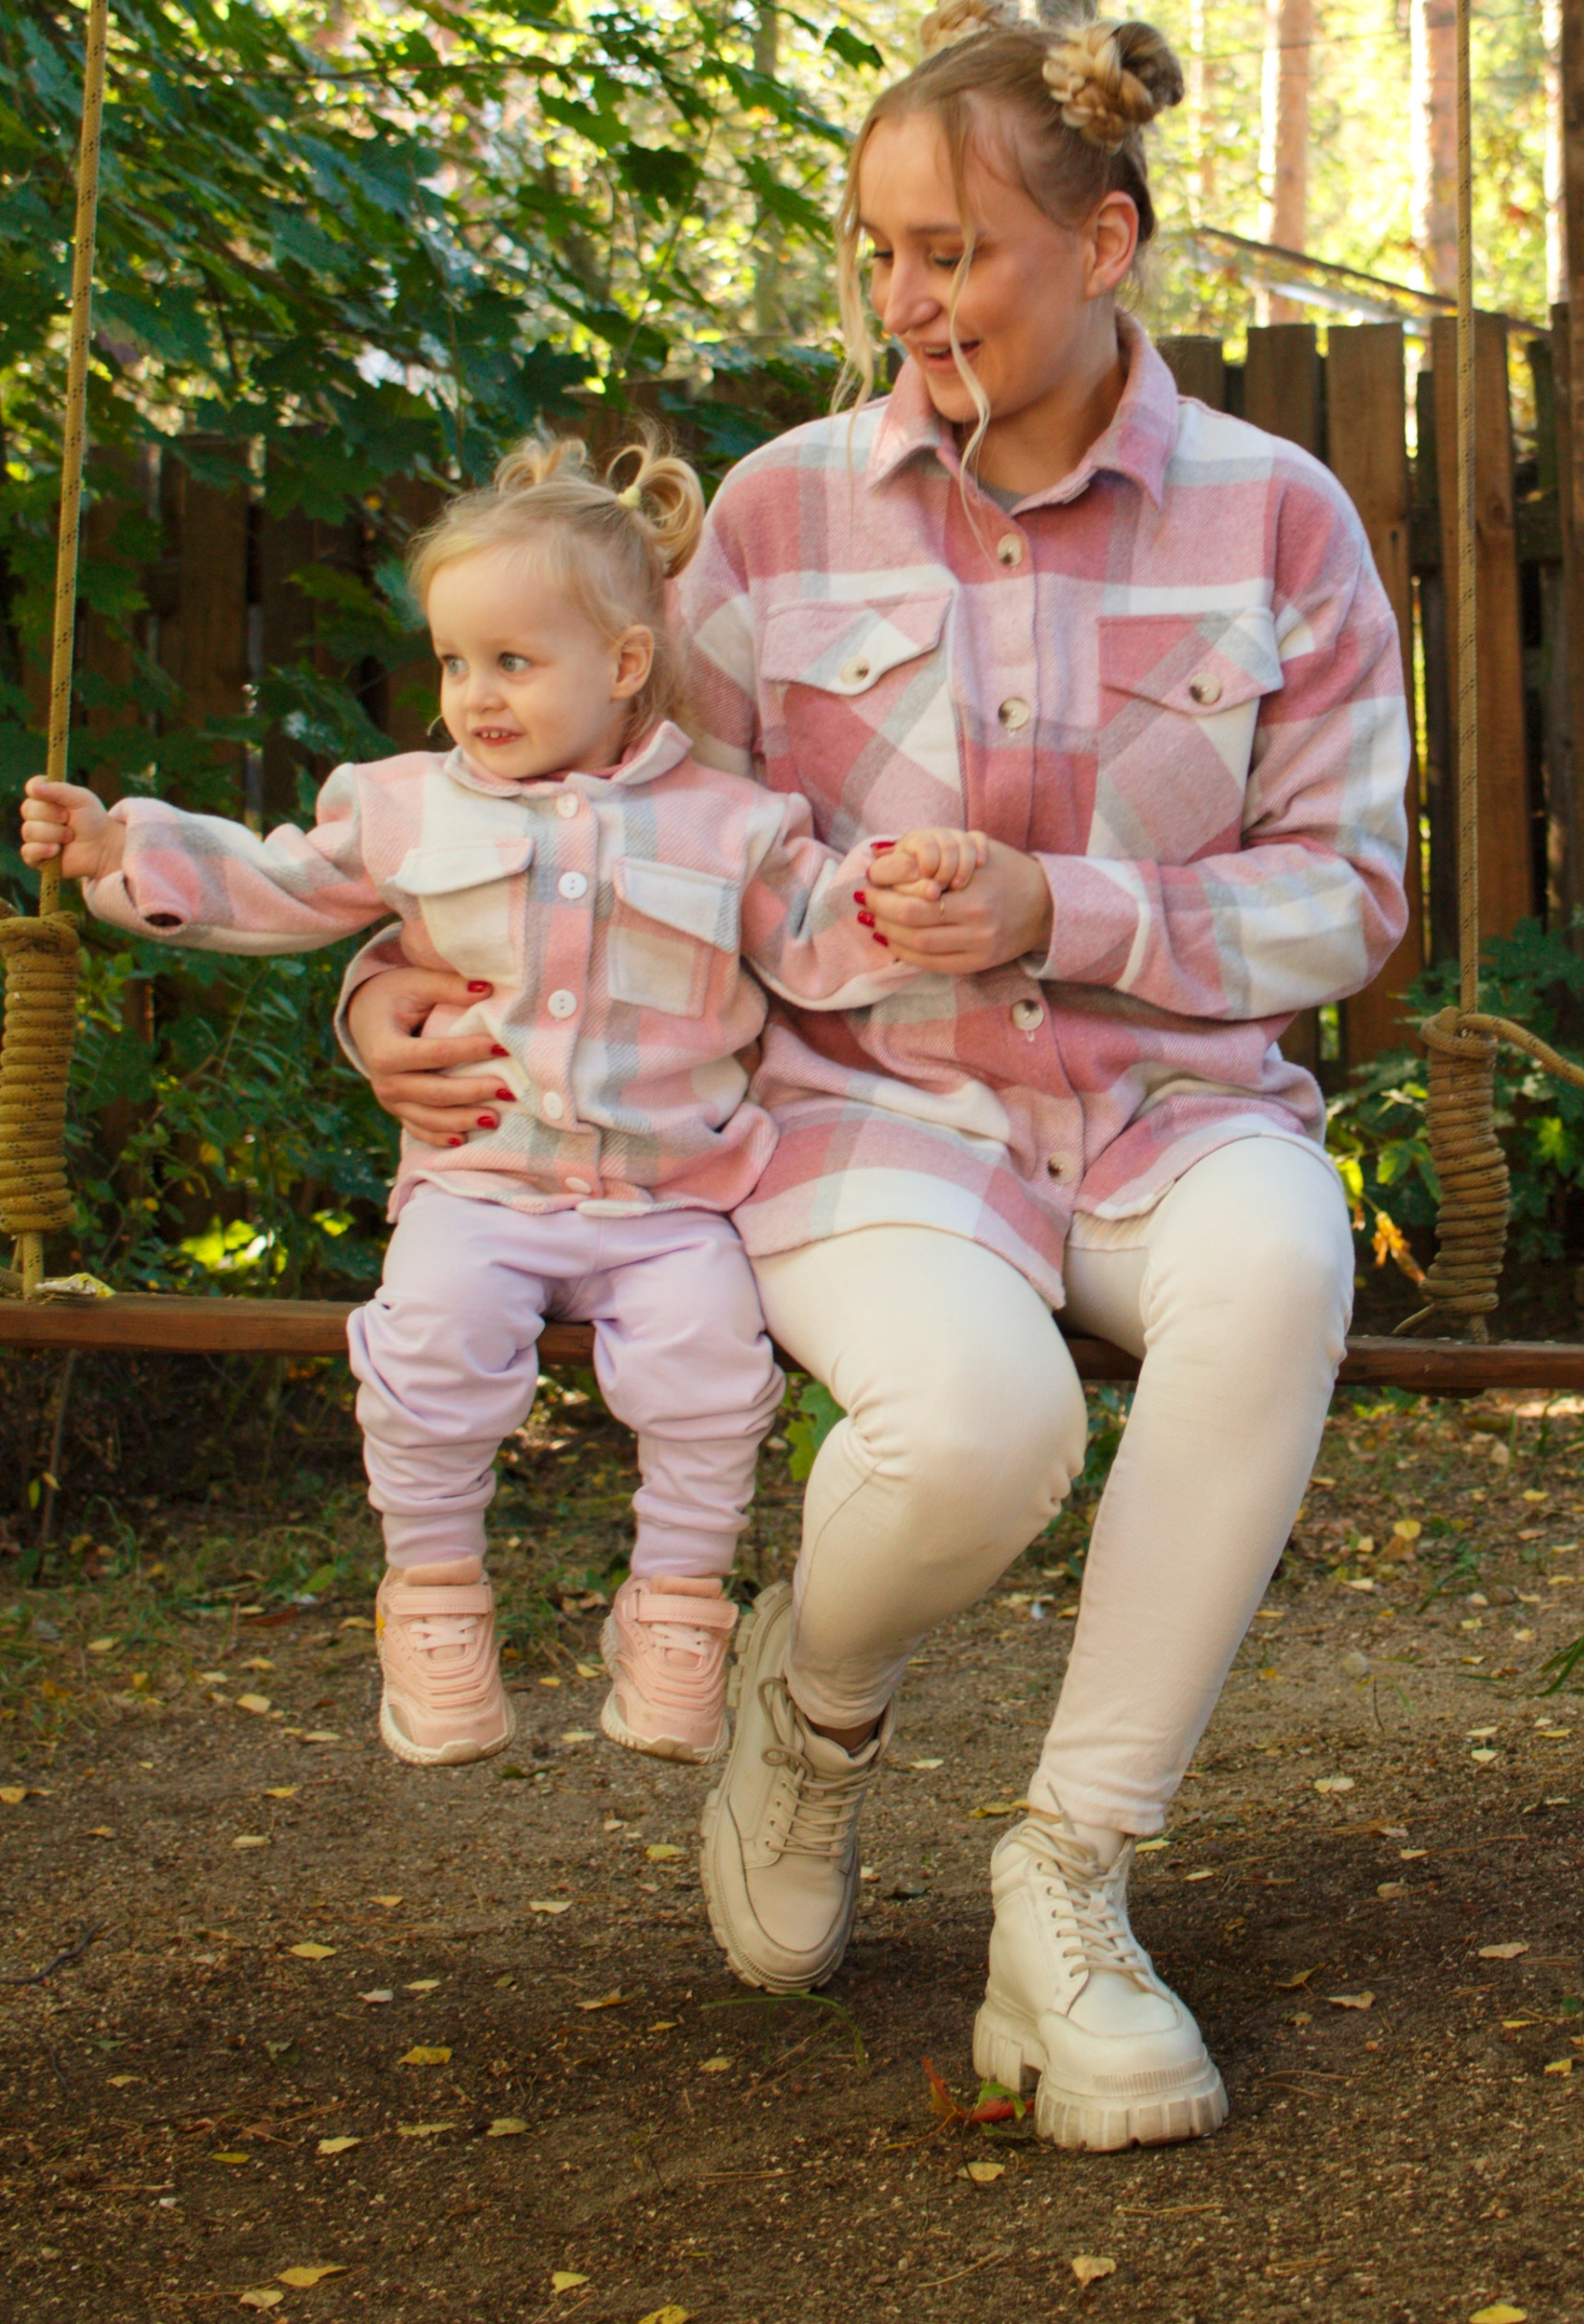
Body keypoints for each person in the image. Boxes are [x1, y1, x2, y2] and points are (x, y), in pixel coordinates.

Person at [342, 0, 1411, 2152]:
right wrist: (386, 997)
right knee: (984, 1425)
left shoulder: (1274, 519)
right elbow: (589, 825)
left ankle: (1069, 1885)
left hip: (1170, 1104)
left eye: (955, 252)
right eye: (877, 251)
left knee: (1282, 1271)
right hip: (861, 1110)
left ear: (1101, 246)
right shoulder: (775, 512)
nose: (905, 301)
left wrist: (1067, 911)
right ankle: (810, 1716)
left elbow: (1351, 895)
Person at [20, 439, 921, 1772]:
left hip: (669, 1195)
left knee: (712, 1371)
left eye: (513, 662)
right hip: (481, 1181)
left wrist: (905, 900)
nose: (474, 696)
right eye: (454, 663)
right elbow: (279, 882)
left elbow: (814, 934)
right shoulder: (402, 807)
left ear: (623, 664)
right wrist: (123, 849)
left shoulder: (729, 824)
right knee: (426, 1344)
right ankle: (434, 1599)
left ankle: (675, 1608)